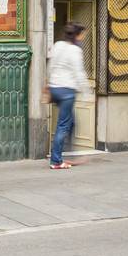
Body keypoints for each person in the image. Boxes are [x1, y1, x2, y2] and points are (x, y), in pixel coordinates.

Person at [45, 22, 90, 170]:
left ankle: (68, 153)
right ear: (76, 35)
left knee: (71, 123)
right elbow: (79, 73)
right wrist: (86, 92)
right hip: (66, 91)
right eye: (81, 34)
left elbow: (50, 65)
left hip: (55, 88)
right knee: (63, 125)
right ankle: (56, 160)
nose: (83, 37)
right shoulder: (75, 51)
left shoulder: (58, 45)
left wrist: (50, 83)